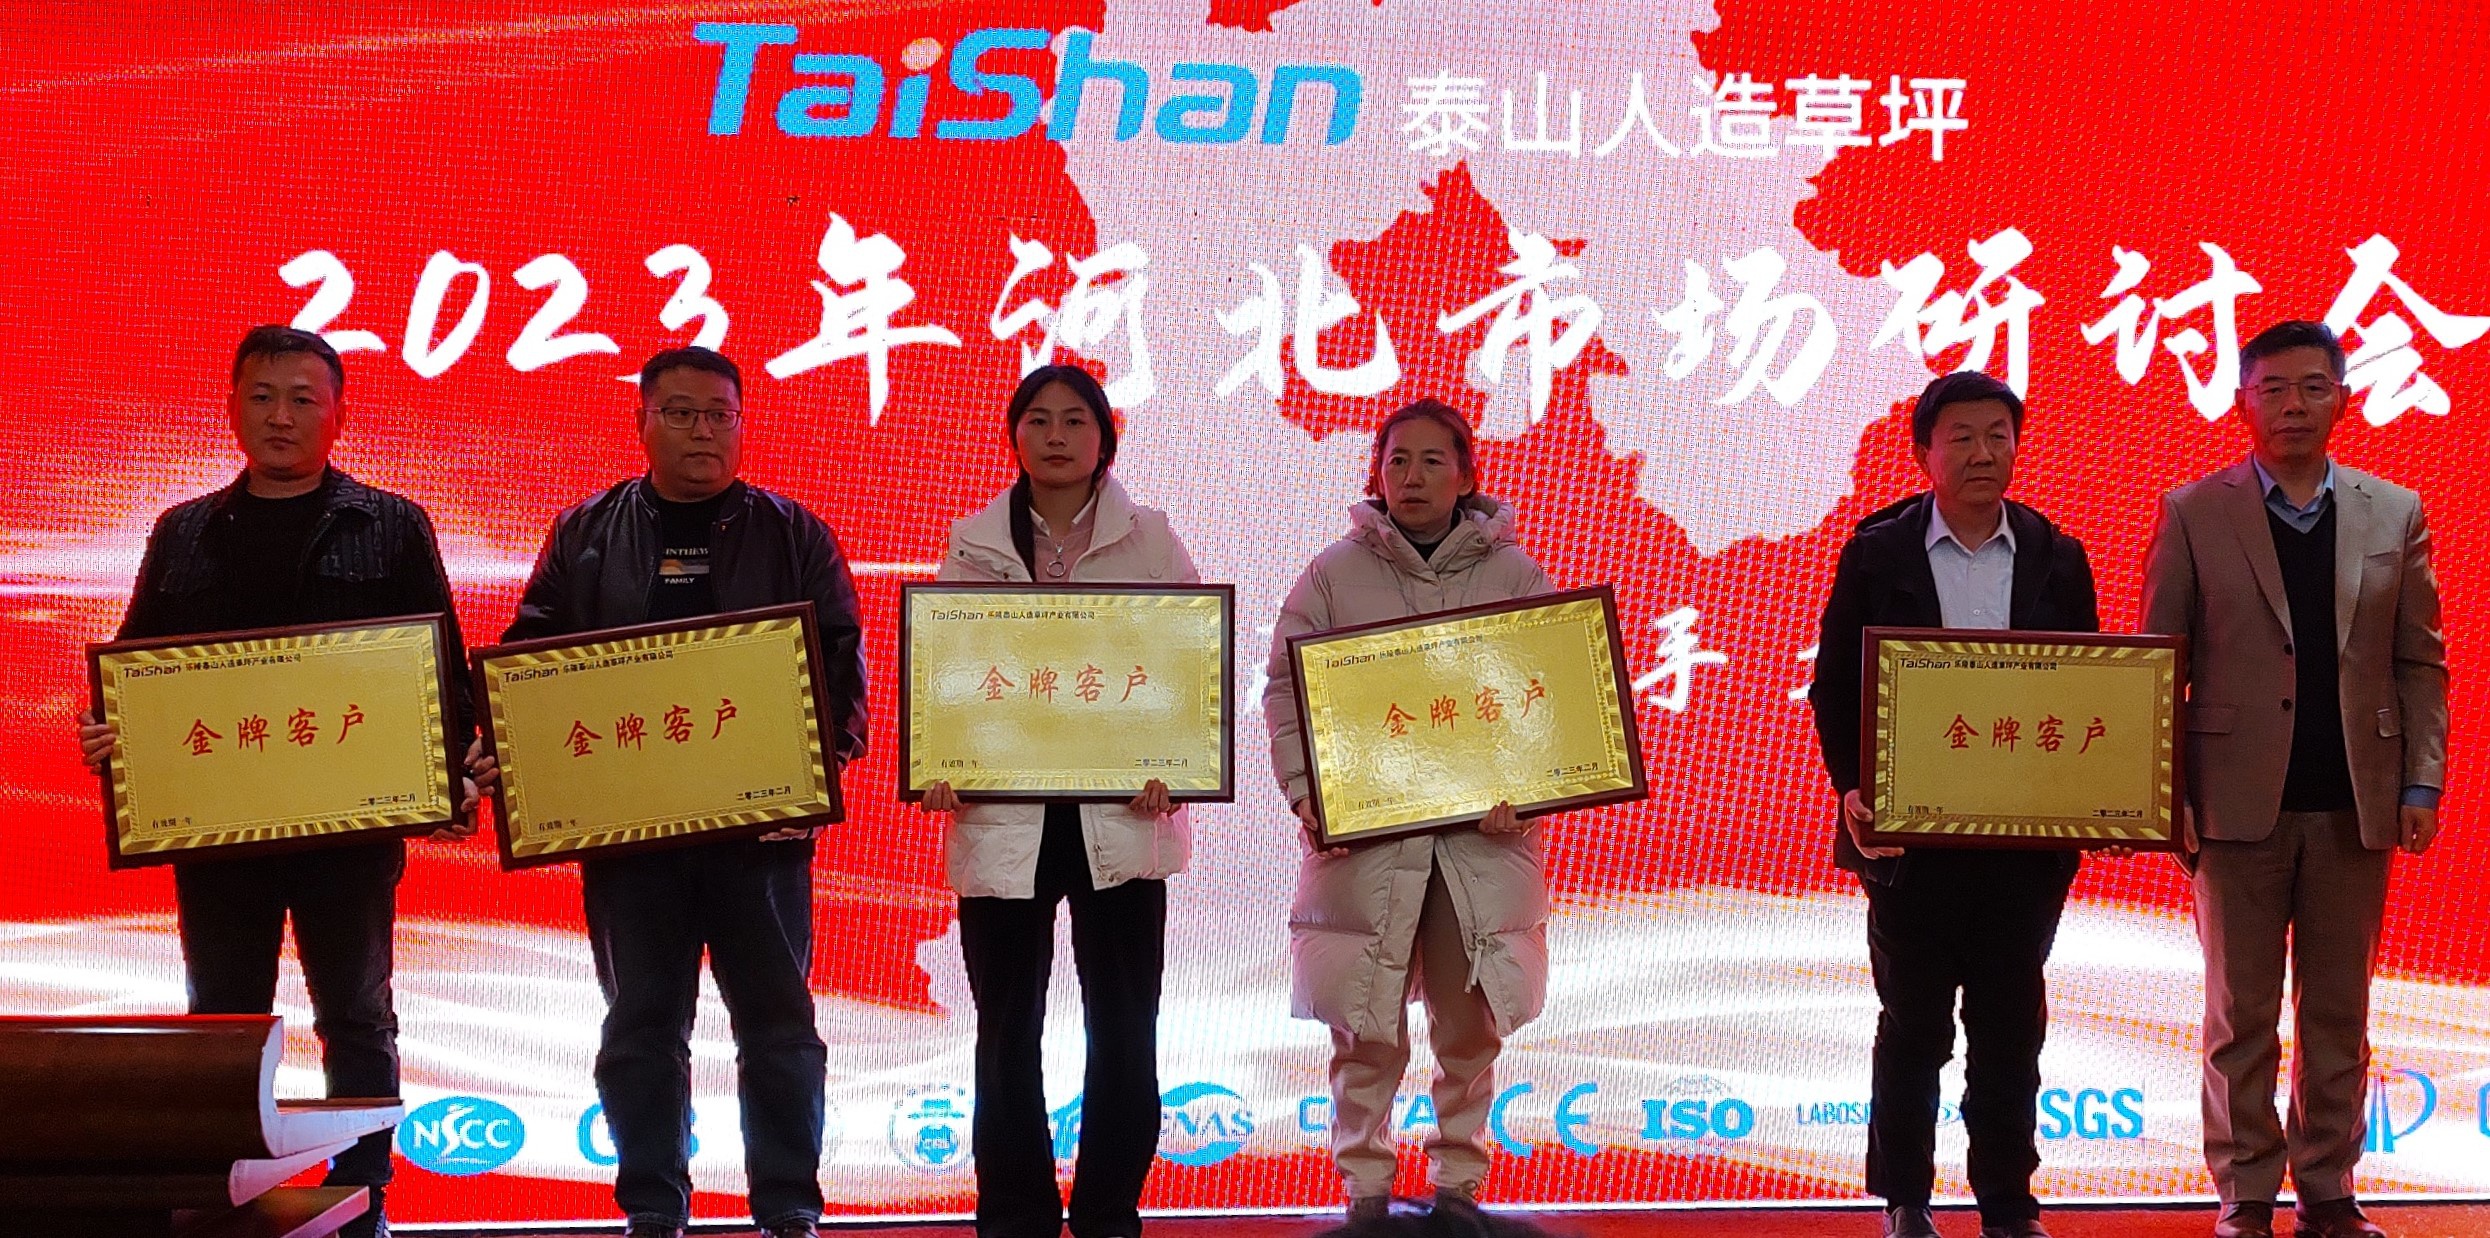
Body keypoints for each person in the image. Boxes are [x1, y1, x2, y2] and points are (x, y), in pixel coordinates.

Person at [75, 324, 477, 1238]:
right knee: (223, 1016)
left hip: (351, 826)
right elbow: (136, 664)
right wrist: (109, 730)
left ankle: (365, 1194)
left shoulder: (391, 523)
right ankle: (225, 1189)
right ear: (232, 409)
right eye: (261, 397)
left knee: (358, 1013)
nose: (281, 416)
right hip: (220, 828)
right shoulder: (183, 531)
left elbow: (441, 674)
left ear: (338, 415)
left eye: (302, 399)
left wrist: (454, 777)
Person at [470, 346, 868, 1238]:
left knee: (779, 1027)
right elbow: (529, 663)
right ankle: (652, 1204)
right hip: (633, 842)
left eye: (720, 414)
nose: (702, 431)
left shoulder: (793, 533)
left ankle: (789, 1206)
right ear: (642, 422)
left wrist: (816, 772)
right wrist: (510, 753)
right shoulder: (586, 533)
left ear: (741, 424)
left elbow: (842, 667)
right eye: (680, 413)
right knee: (642, 1028)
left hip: (762, 838)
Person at [2141, 321, 2447, 1238]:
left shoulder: (2394, 511)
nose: (2293, 407)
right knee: (2239, 1016)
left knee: (2339, 1011)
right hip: (2232, 804)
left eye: (2313, 388)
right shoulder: (2193, 511)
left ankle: (2328, 1188)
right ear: (2242, 402)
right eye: (2272, 389)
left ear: (2343, 400)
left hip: (2357, 798)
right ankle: (2245, 1195)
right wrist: (2164, 796)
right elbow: (2158, 665)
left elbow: (2420, 661)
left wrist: (2421, 782)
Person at [1807, 371, 2102, 1238]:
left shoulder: (2058, 556)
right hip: (1909, 843)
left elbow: (2093, 695)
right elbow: (1836, 687)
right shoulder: (1877, 554)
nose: (1983, 453)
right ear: (1923, 453)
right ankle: (1906, 1199)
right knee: (1915, 1026)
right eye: (1962, 437)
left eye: (1998, 436)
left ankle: (2008, 1202)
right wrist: (1853, 789)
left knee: (2011, 1026)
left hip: (2024, 843)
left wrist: (2105, 801)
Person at [914, 364, 1197, 1238]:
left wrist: (1180, 764)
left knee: (1125, 1027)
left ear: (1105, 437)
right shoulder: (972, 544)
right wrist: (940, 760)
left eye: (1076, 420)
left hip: (1122, 818)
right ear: (1015, 435)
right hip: (1007, 820)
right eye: (1038, 420)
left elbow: (1193, 665)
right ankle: (1015, 1214)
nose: (1057, 436)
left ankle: (1109, 1209)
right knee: (1006, 1030)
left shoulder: (1152, 540)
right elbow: (947, 677)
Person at [1262, 398, 1552, 1222]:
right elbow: (1286, 690)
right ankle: (1365, 1192)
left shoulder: (1514, 576)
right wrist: (1310, 795)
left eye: (1432, 460)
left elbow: (1550, 702)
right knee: (1365, 1025)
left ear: (1465, 475)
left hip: (1479, 846)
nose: (1413, 476)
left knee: (1471, 1026)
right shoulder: (1332, 574)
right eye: (1397, 460)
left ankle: (1459, 1190)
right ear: (1377, 475)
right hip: (1367, 841)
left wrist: (1530, 794)